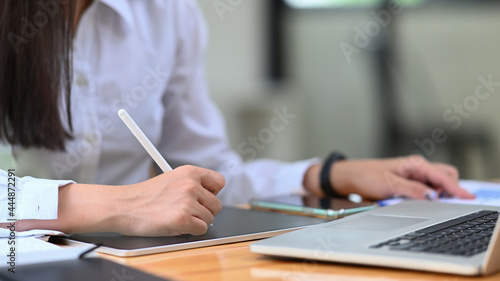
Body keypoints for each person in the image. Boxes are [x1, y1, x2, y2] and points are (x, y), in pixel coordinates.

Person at [0, 0, 474, 236]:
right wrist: (113, 205)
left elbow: (211, 174)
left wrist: (327, 174)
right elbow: (140, 202)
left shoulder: (169, 13)